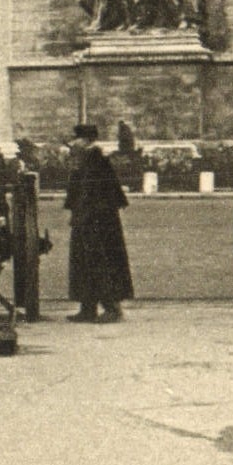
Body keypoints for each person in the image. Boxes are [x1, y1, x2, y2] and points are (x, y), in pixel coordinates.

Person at [63, 123, 134, 323]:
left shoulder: (95, 161)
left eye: (76, 139)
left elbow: (96, 194)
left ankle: (111, 307)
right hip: (87, 219)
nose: (73, 143)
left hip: (98, 222)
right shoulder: (87, 159)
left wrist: (83, 212)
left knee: (101, 261)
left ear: (85, 140)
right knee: (85, 262)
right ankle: (88, 306)